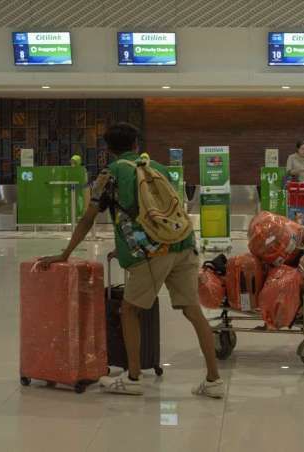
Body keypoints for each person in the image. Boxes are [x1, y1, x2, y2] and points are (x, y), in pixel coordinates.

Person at [38, 123, 223, 397]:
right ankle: (213, 380)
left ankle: (134, 378)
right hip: (183, 244)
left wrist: (65, 254)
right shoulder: (157, 168)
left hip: (151, 252)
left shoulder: (109, 174)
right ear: (137, 144)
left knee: (129, 310)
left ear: (108, 149)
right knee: (192, 310)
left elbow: (89, 218)